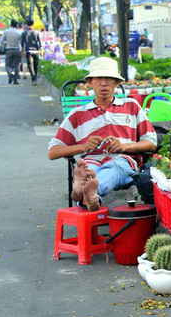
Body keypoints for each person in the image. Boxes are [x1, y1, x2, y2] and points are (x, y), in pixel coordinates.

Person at [48, 57, 157, 212]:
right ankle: (88, 192)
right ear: (90, 82)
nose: (104, 83)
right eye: (99, 78)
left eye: (109, 79)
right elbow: (53, 152)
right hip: (91, 160)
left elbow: (151, 143)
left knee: (115, 167)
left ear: (117, 83)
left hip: (122, 160)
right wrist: (83, 147)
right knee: (89, 169)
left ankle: (85, 191)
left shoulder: (131, 106)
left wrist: (123, 146)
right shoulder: (78, 114)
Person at [1, 20, 23, 85]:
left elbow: (2, 40)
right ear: (16, 26)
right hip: (17, 50)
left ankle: (10, 74)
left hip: (9, 49)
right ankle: (15, 80)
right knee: (17, 65)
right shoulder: (19, 32)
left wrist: (3, 48)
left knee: (7, 64)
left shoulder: (6, 32)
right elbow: (21, 42)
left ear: (10, 25)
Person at [21, 19, 42, 85]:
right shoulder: (37, 32)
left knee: (30, 65)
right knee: (35, 65)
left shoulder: (24, 33)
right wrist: (41, 50)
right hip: (36, 51)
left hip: (28, 51)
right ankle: (35, 77)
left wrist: (22, 51)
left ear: (27, 25)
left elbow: (22, 43)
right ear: (33, 25)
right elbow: (40, 42)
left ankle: (33, 79)